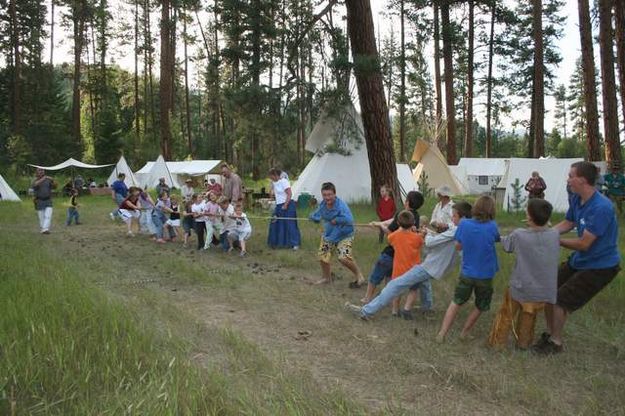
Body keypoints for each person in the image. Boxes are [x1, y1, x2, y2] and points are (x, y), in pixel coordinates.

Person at [533, 161, 620, 354]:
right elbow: (568, 222)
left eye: (571, 176)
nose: (568, 179)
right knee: (549, 290)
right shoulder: (576, 198)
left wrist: (555, 239)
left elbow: (584, 243)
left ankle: (555, 343)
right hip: (581, 260)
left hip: (601, 266)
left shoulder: (602, 208)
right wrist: (548, 233)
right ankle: (550, 334)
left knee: (560, 300)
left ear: (582, 180)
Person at [345, 201, 472, 320]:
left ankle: (366, 311)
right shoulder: (463, 228)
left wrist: (424, 233)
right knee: (423, 283)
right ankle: (426, 308)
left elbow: (430, 242)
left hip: (430, 266)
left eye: (454, 216)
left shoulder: (457, 230)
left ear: (464, 218)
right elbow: (444, 233)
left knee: (395, 285)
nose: (452, 219)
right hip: (434, 266)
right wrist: (425, 231)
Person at [487, 199, 560, 350]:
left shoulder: (519, 234)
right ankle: (523, 344)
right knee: (529, 315)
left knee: (507, 314)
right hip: (542, 290)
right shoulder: (554, 235)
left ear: (530, 216)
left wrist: (497, 237)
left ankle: (497, 343)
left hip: (520, 286)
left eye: (527, 211)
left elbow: (507, 246)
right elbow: (547, 229)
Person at [436, 195, 500, 342]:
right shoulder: (492, 226)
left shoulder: (464, 225)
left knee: (456, 301)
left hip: (467, 272)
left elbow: (458, 245)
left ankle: (442, 333)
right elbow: (495, 238)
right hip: (485, 275)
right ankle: (464, 332)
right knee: (481, 304)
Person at [364, 191, 426, 308]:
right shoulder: (415, 217)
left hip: (390, 254)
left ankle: (367, 298)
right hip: (403, 257)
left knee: (375, 276)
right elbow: (393, 220)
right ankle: (387, 299)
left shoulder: (401, 214)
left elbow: (391, 232)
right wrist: (378, 223)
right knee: (390, 278)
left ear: (407, 202)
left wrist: (381, 227)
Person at [309, 182, 365, 287]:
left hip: (345, 235)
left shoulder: (341, 206)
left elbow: (349, 219)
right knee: (323, 256)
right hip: (330, 235)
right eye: (324, 195)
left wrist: (337, 220)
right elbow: (317, 214)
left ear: (335, 194)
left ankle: (359, 276)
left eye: (329, 195)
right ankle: (327, 278)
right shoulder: (323, 205)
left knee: (343, 258)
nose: (327, 198)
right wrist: (313, 217)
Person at [387, 210, 424, 316]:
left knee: (397, 290)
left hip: (398, 269)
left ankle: (395, 310)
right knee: (413, 289)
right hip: (413, 269)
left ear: (398, 223)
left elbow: (389, 240)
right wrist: (420, 233)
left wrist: (399, 230)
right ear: (413, 223)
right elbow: (421, 243)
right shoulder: (417, 237)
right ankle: (407, 308)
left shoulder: (395, 235)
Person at [267, 168, 301, 250]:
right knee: (275, 222)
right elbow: (274, 194)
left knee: (290, 224)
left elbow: (289, 194)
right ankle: (275, 242)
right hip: (278, 205)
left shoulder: (284, 181)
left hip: (288, 204)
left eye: (272, 176)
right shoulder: (274, 183)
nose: (271, 178)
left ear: (275, 174)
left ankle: (294, 243)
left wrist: (285, 205)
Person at [32, 168, 56, 234]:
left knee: (48, 215)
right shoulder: (35, 180)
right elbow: (35, 185)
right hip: (39, 200)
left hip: (48, 199)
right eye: (40, 170)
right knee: (41, 216)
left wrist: (53, 180)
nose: (41, 171)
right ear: (37, 172)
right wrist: (44, 178)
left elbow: (55, 186)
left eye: (42, 170)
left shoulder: (48, 180)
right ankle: (43, 229)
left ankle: (45, 229)